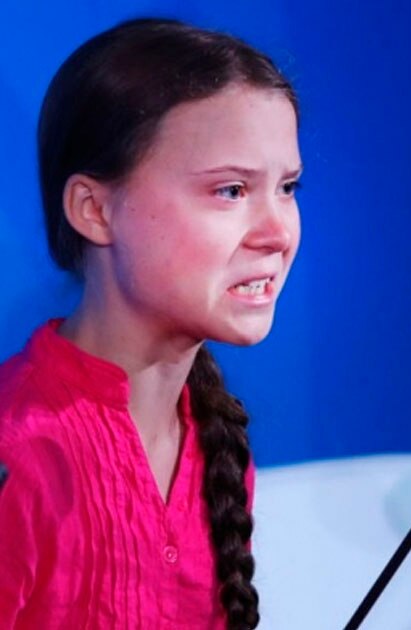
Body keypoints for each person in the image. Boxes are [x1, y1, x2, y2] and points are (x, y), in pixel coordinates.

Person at [0, 16, 302, 629]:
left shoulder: (218, 448)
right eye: (231, 190)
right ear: (94, 209)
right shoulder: (17, 451)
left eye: (289, 187)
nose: (278, 233)